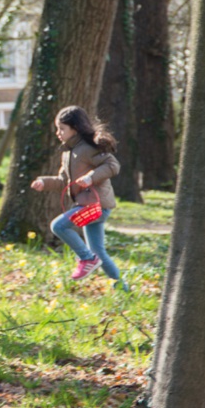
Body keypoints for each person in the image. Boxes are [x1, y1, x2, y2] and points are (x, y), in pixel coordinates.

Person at [30, 105, 128, 289]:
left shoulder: (87, 148)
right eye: (57, 129)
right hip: (91, 206)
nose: (58, 133)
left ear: (74, 128)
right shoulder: (69, 151)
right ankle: (121, 286)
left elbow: (113, 165)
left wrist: (91, 177)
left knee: (58, 226)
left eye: (62, 129)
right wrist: (44, 182)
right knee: (99, 251)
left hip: (96, 206)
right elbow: (63, 181)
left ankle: (87, 259)